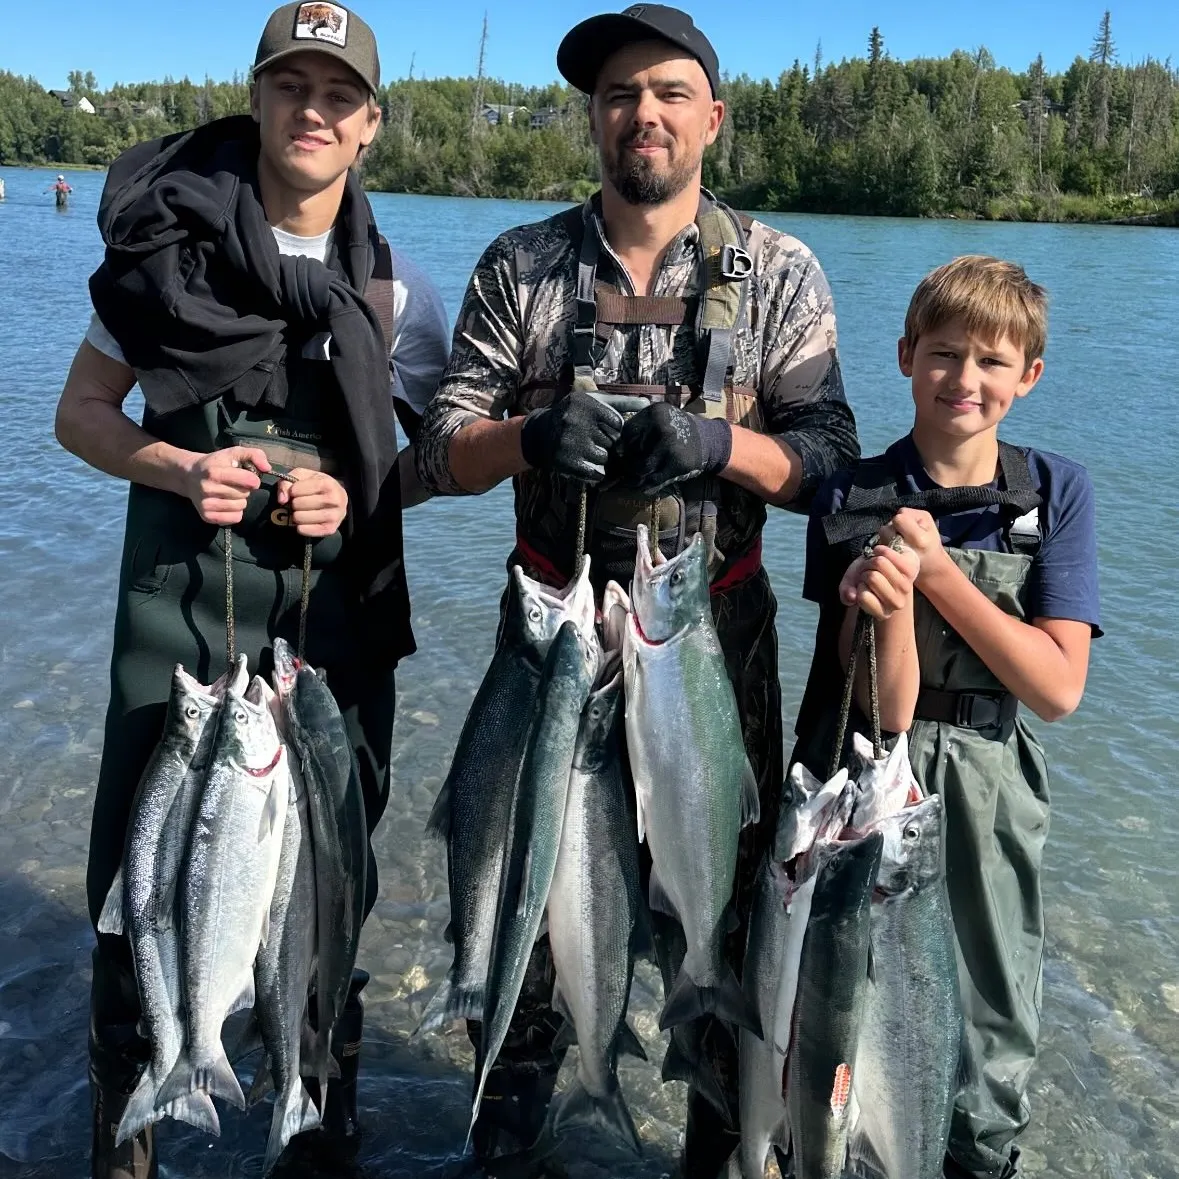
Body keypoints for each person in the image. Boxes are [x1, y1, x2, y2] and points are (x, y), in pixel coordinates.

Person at [414, 5, 859, 1172]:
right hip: (548, 648)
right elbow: (434, 448)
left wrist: (721, 449)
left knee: (718, 927)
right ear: (594, 120)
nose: (642, 114)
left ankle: (716, 1140)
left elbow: (829, 463)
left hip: (715, 649)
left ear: (711, 116)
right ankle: (510, 1135)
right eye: (619, 95)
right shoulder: (522, 264)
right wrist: (530, 435)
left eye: (667, 92)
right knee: (526, 926)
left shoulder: (779, 270)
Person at [53, 3, 449, 1176]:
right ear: (259, 98)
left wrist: (352, 495)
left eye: (340, 96)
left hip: (340, 627)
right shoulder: (157, 260)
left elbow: (410, 465)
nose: (313, 112)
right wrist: (176, 464)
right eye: (293, 87)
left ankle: (312, 1134)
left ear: (371, 127)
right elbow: (80, 417)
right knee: (139, 879)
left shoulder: (398, 298)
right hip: (176, 604)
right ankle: (127, 1133)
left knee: (327, 886)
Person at [796, 255, 1100, 1179]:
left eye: (991, 362)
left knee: (991, 1007)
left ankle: (978, 1157)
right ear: (904, 357)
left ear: (1028, 376)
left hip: (992, 779)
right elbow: (883, 708)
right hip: (876, 768)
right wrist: (876, 598)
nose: (964, 380)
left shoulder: (1054, 493)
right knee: (849, 1007)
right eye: (942, 354)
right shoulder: (850, 493)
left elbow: (1055, 687)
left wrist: (932, 576)